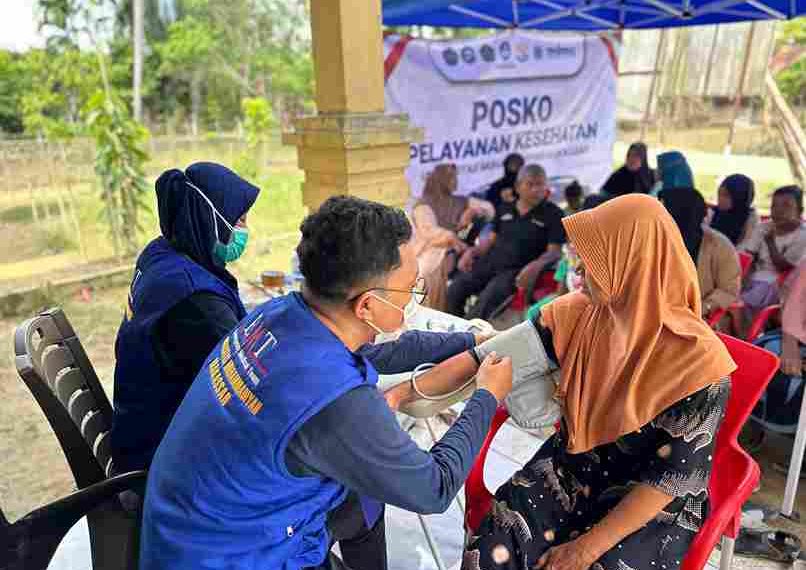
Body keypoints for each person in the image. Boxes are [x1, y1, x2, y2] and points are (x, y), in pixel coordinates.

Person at [139, 196, 514, 570]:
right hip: (236, 556)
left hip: (190, 525)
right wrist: (486, 395)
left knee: (364, 501)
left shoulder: (280, 314)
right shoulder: (339, 404)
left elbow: (381, 353)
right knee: (368, 491)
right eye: (411, 289)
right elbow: (434, 487)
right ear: (366, 306)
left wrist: (468, 340)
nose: (417, 297)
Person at [461, 194, 736, 570]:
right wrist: (407, 391)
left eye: (595, 261)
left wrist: (586, 548)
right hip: (577, 465)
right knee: (497, 543)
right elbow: (490, 356)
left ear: (632, 264)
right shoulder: (582, 315)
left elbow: (671, 480)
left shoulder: (701, 365)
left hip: (649, 499)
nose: (580, 272)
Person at [110, 162, 259, 474]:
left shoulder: (161, 253)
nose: (245, 229)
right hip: (164, 459)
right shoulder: (195, 300)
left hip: (141, 427)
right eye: (239, 220)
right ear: (209, 221)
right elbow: (245, 386)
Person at [447, 164, 566, 320]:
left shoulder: (554, 213)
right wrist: (471, 252)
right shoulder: (504, 208)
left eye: (541, 184)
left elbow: (554, 251)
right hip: (490, 262)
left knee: (483, 304)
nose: (537, 190)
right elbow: (490, 240)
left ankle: (468, 338)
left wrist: (535, 266)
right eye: (530, 184)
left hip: (515, 271)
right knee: (455, 289)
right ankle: (453, 333)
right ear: (518, 186)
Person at [413, 163, 494, 311]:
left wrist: (471, 211)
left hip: (456, 249)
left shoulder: (460, 201)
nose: (455, 182)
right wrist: (451, 237)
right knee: (426, 271)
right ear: (440, 180)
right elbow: (428, 231)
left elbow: (489, 210)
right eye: (451, 178)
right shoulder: (423, 204)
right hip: (430, 248)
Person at [661, 188, 741, 316]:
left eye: (664, 210)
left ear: (680, 213)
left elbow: (728, 290)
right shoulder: (657, 239)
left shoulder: (718, 245)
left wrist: (702, 308)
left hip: (701, 318)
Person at [740, 185, 806, 315]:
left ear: (800, 211)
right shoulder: (763, 227)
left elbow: (784, 267)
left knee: (754, 296)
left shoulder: (802, 235)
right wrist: (744, 277)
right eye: (774, 206)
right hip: (755, 277)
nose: (778, 211)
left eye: (786, 206)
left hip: (780, 282)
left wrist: (770, 242)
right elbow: (749, 255)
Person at [710, 174, 758, 247]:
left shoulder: (750, 218)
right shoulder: (712, 213)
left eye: (725, 195)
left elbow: (746, 247)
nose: (720, 199)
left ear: (739, 197)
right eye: (719, 194)